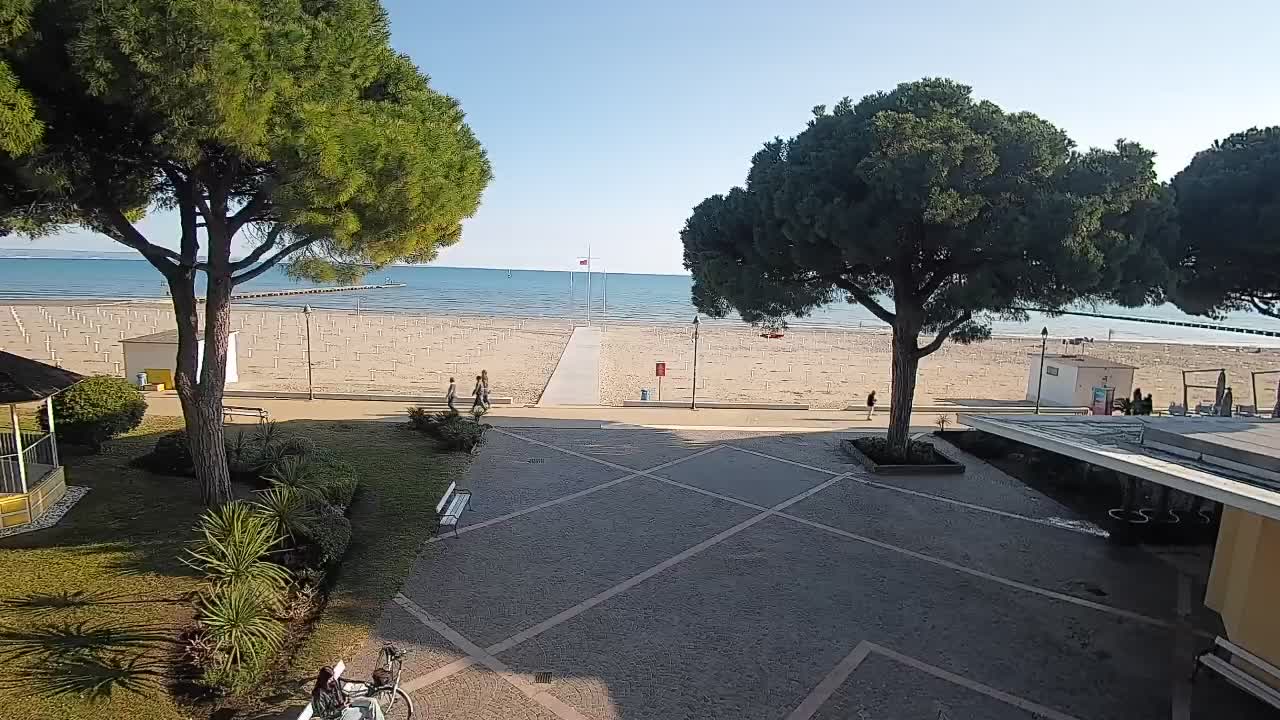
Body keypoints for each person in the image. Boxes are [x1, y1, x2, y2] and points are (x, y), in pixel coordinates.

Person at [311, 667, 385, 720]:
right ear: (324, 680)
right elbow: (324, 715)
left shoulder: (333, 683)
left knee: (372, 702)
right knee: (367, 711)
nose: (332, 680)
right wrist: (342, 707)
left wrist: (346, 697)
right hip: (339, 715)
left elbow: (340, 693)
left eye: (332, 677)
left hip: (346, 704)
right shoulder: (319, 695)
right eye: (330, 679)